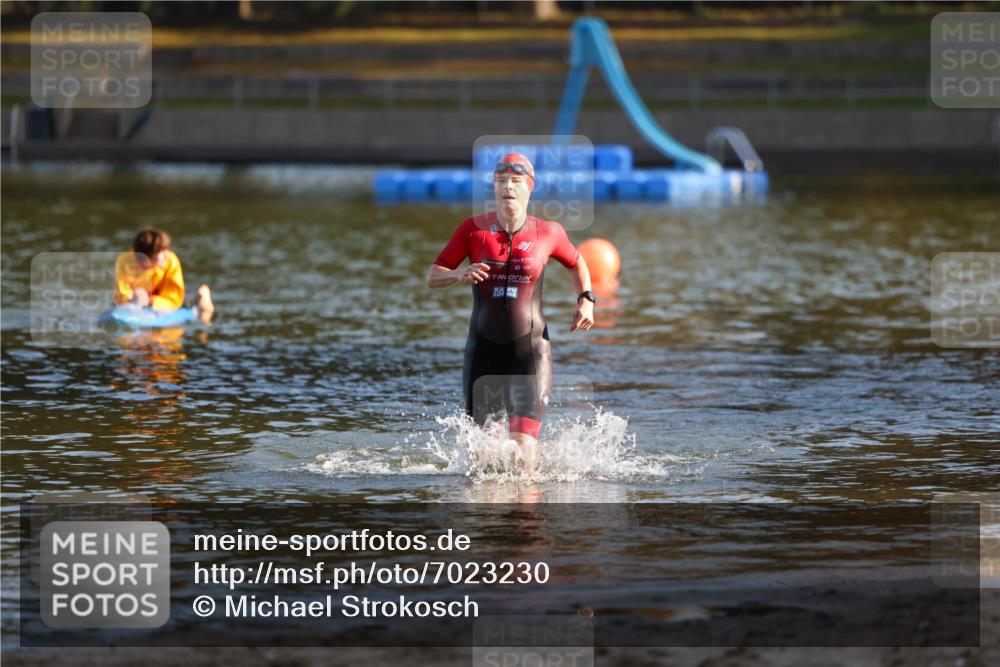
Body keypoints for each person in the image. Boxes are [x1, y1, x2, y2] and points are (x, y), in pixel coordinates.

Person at [426, 152, 595, 473]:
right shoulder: (472, 230)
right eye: (501, 181)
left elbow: (577, 262)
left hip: (529, 350)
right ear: (494, 186)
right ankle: (486, 520)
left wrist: (586, 298)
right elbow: (433, 276)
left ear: (530, 188)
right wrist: (458, 275)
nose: (508, 187)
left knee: (523, 446)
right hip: (482, 349)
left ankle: (525, 517)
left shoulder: (549, 232)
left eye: (516, 181)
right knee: (482, 452)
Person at [115, 227, 215, 323]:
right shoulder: (124, 261)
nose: (167, 256)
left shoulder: (171, 261)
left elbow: (174, 299)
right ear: (147, 259)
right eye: (162, 253)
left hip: (167, 296)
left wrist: (149, 301)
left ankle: (202, 293)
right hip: (142, 296)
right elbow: (121, 292)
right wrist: (131, 297)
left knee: (198, 304)